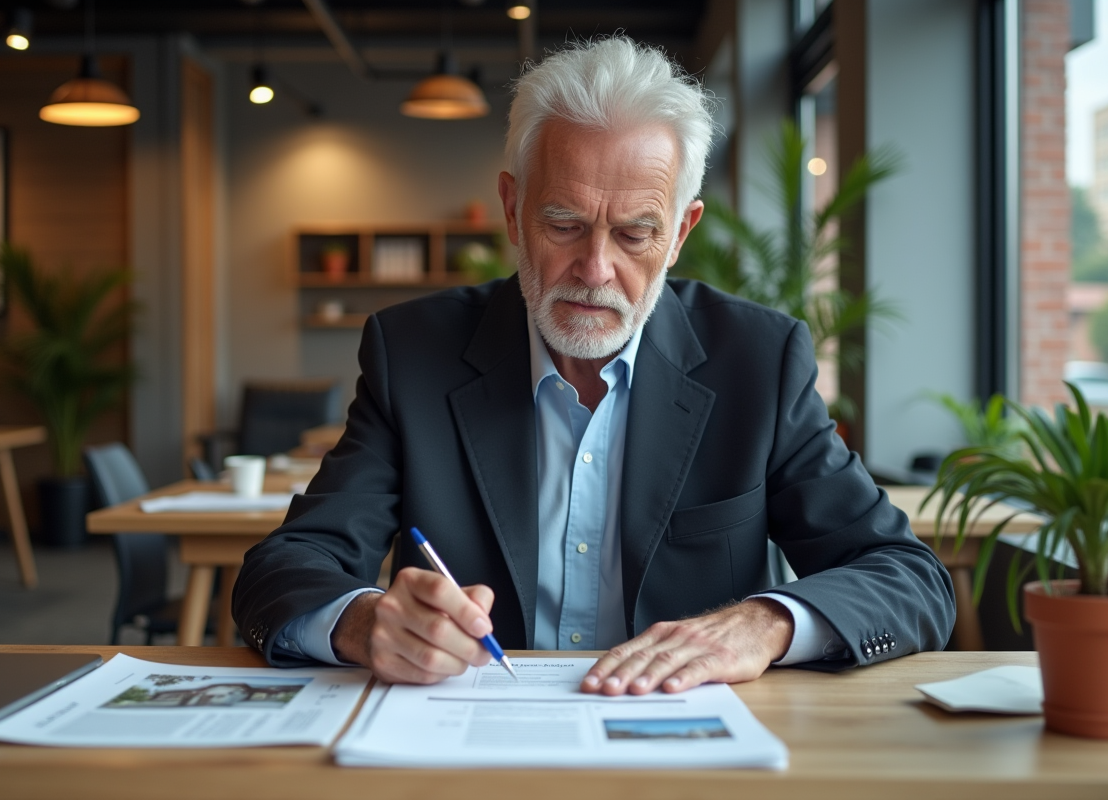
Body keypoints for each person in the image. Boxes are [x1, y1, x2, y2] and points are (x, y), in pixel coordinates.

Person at [233, 36, 955, 695]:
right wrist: (364, 621)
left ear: (679, 233)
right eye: (564, 224)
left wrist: (763, 624)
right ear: (513, 211)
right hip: (473, 747)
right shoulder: (413, 353)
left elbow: (909, 578)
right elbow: (286, 565)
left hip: (689, 749)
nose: (596, 269)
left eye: (636, 232)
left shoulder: (757, 362)